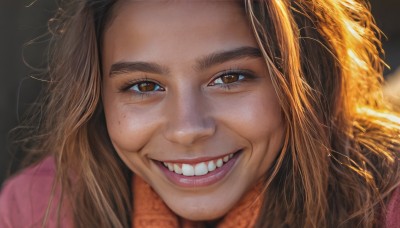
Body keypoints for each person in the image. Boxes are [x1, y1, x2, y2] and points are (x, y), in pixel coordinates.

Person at [1, 0, 399, 227]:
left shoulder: (386, 204)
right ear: (96, 99)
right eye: (144, 86)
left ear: (308, 76)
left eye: (230, 77)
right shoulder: (38, 209)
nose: (187, 129)